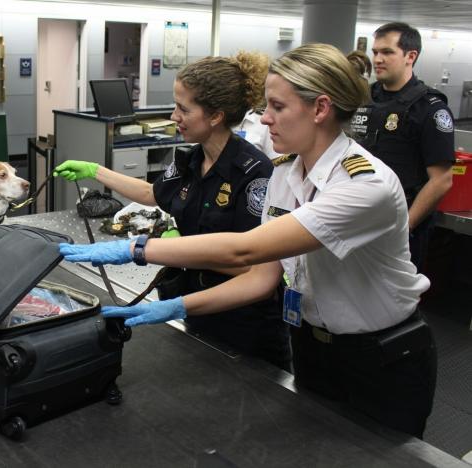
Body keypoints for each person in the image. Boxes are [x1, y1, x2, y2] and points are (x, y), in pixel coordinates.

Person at [59, 43, 438, 439]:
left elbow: (246, 249)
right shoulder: (284, 175)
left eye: (276, 106)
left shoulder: (364, 185)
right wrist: (176, 306)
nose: (263, 118)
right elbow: (261, 278)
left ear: (320, 109)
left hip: (379, 357)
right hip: (311, 347)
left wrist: (135, 250)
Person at [54, 51, 291, 370]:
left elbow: (252, 268)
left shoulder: (254, 174)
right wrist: (95, 171)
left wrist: (164, 249)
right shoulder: (192, 160)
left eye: (183, 108)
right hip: (196, 308)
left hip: (242, 326)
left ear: (216, 116)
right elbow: (154, 194)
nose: (173, 115)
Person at [350, 22, 454, 271]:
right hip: (358, 215)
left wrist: (405, 227)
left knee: (394, 302)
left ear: (411, 56)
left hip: (400, 222)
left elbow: (442, 180)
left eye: (387, 52)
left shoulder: (429, 108)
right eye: (375, 52)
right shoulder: (364, 99)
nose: (378, 59)